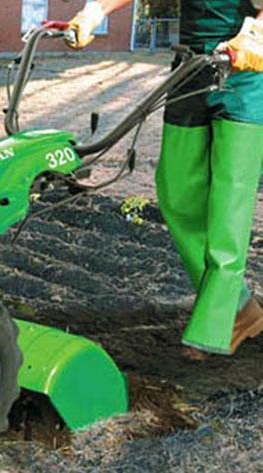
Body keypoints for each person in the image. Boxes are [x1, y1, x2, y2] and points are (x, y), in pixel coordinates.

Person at [65, 0, 263, 358]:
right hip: (191, 68)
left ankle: (221, 320)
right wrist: (95, 11)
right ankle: (241, 304)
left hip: (247, 73)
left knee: (229, 198)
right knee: (175, 189)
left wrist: (257, 36)